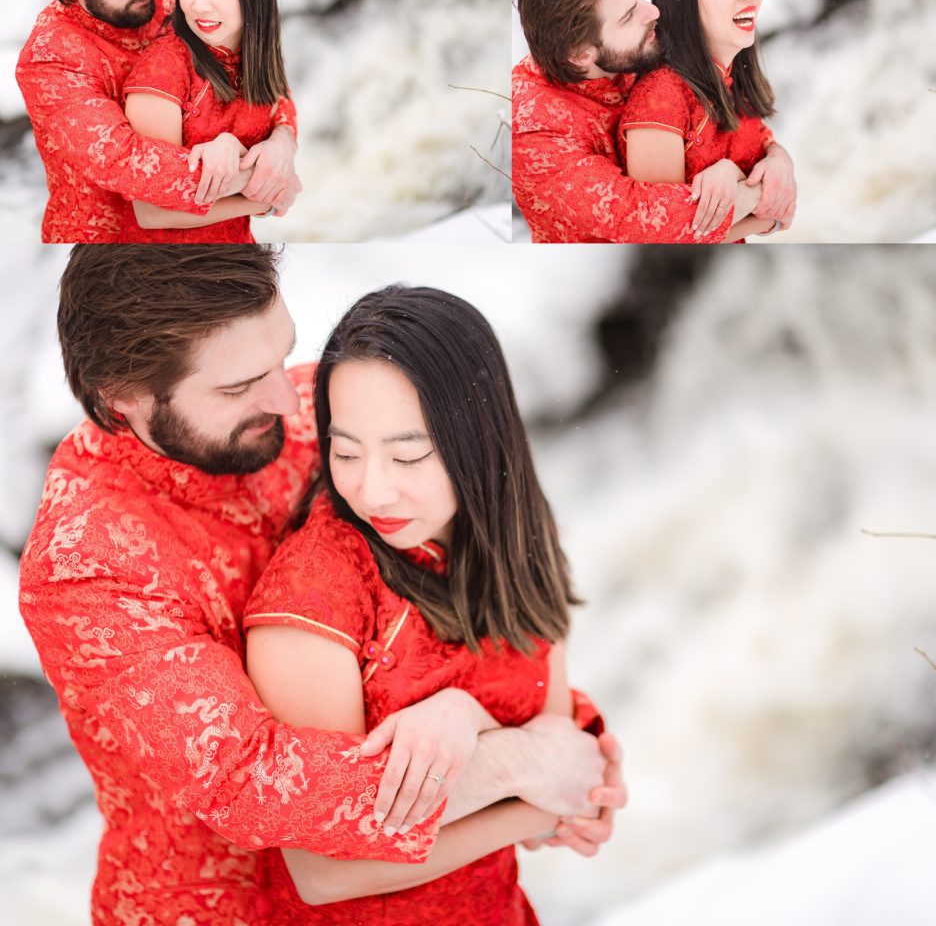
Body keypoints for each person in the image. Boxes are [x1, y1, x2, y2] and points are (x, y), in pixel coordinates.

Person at [18, 246, 623, 926]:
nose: (287, 397)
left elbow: (451, 586)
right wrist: (519, 765)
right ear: (121, 400)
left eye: (283, 355)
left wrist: (544, 728)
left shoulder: (325, 418)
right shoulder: (88, 567)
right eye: (238, 386)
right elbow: (254, 781)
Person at [241, 285, 618, 922]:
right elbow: (324, 869)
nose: (372, 488)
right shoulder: (314, 592)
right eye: (347, 451)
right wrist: (529, 786)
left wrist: (467, 719)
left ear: (477, 438)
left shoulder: (516, 536)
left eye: (408, 454)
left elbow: (562, 792)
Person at [16, 0, 299, 242]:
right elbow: (127, 161)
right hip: (109, 253)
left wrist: (282, 143)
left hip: (213, 239)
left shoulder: (175, 2)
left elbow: (259, 73)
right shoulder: (50, 59)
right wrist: (262, 184)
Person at [512, 0, 795, 243]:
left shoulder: (634, 55)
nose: (654, 12)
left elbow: (736, 133)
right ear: (580, 54)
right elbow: (653, 224)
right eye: (628, 15)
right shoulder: (536, 135)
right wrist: (764, 196)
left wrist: (778, 160)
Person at [121, 0, 297, 242]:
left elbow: (281, 104)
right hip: (168, 261)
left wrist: (282, 143)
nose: (198, 4)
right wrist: (260, 196)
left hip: (237, 254)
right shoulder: (163, 69)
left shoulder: (257, 50)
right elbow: (150, 211)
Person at [619, 0, 796, 242]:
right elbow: (663, 240)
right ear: (684, 4)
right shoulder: (660, 98)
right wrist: (768, 215)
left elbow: (761, 141)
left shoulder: (731, 75)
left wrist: (780, 159)